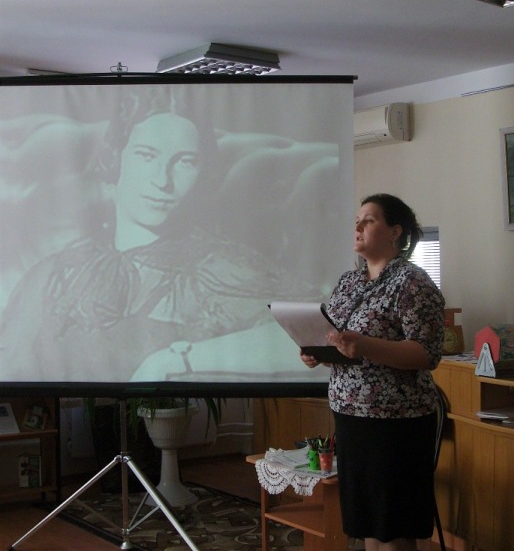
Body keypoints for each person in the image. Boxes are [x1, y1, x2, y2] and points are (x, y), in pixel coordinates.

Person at [0, 89, 301, 382]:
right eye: (146, 156)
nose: (162, 180)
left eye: (185, 161)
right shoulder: (55, 274)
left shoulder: (222, 268)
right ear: (116, 158)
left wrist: (176, 361)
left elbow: (312, 340)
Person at [301, 193, 444, 551]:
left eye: (369, 220)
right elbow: (338, 339)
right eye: (356, 221)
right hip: (352, 414)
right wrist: (320, 351)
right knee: (369, 523)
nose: (358, 228)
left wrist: (363, 346)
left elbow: (425, 354)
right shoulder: (349, 281)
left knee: (394, 524)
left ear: (396, 231)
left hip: (399, 419)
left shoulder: (413, 282)